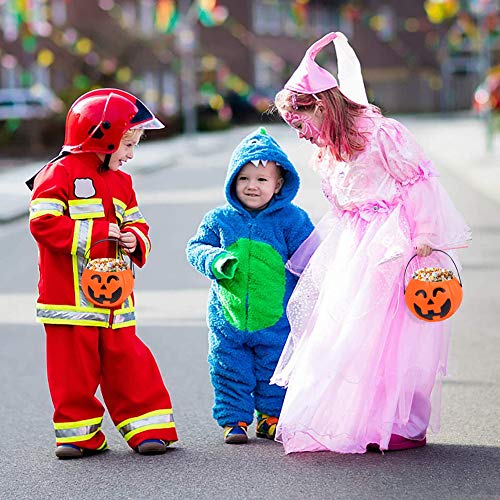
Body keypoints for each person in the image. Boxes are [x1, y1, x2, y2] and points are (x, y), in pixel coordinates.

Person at [271, 32, 472, 454]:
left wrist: (425, 234)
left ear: (323, 106)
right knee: (349, 328)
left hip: (393, 243)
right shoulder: (329, 148)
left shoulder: (381, 134)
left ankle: (399, 420)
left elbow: (418, 183)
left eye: (301, 122)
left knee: (392, 333)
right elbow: (344, 202)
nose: (301, 133)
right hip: (352, 246)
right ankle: (357, 418)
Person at [28, 88, 178, 458]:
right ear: (102, 137)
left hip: (114, 300)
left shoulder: (123, 183)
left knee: (129, 361)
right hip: (68, 300)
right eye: (128, 145)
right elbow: (42, 223)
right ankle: (79, 436)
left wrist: (134, 239)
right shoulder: (56, 174)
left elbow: (140, 224)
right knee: (71, 372)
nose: (130, 155)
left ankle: (148, 428)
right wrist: (96, 233)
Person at [186, 127, 314, 444]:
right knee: (229, 370)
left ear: (279, 184)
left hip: (275, 318)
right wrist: (215, 260)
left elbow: (311, 257)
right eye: (243, 179)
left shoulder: (292, 220)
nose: (252, 187)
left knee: (274, 371)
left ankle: (271, 418)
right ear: (232, 181)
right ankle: (235, 421)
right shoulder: (219, 219)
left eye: (261, 180)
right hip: (227, 319)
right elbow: (195, 248)